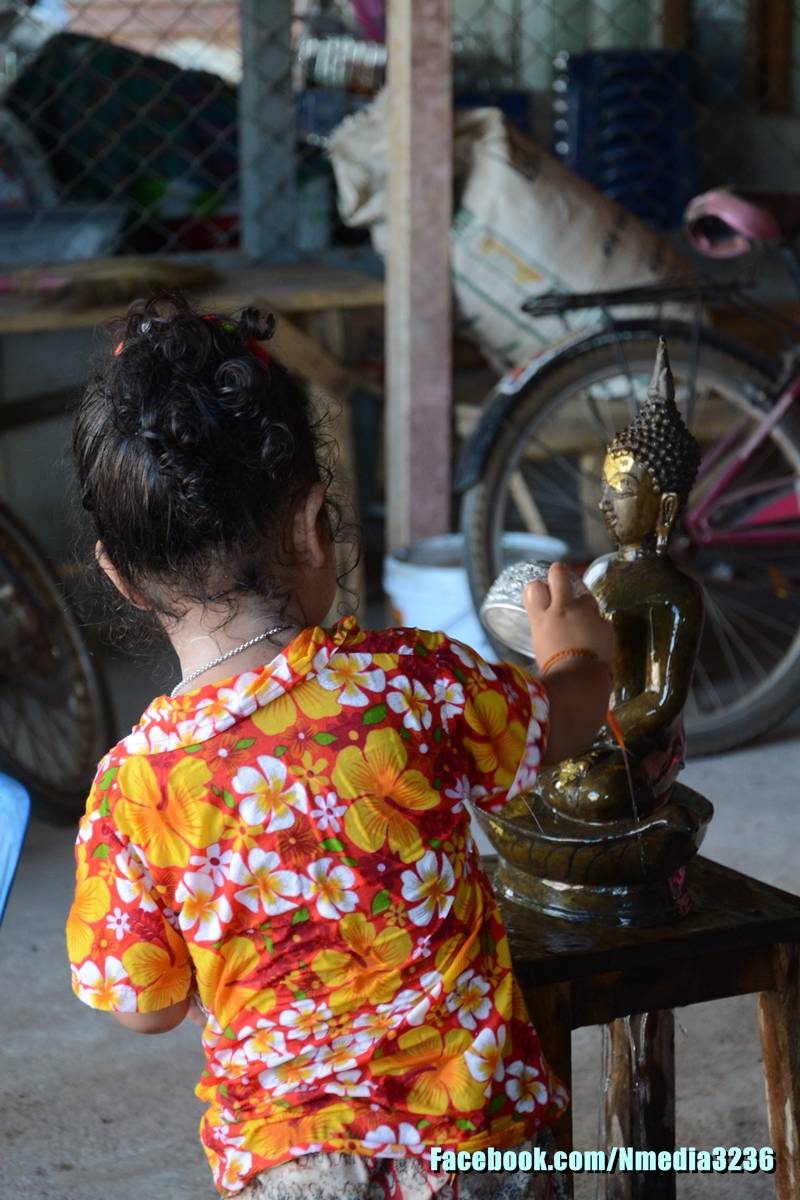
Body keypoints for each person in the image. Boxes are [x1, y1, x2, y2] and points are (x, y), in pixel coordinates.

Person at [66, 294, 614, 1200]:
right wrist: (579, 655)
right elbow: (563, 724)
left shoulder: (134, 789)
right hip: (476, 1144)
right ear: (309, 523)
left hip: (290, 1168)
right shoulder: (413, 684)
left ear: (120, 576)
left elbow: (143, 1007)